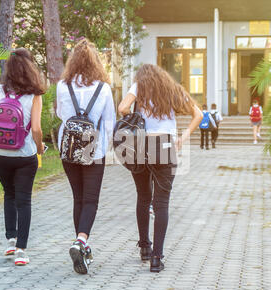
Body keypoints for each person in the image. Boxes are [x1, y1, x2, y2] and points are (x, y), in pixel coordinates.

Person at [118, 64, 203, 272]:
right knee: (161, 202)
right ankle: (157, 258)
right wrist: (182, 138)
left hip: (142, 145)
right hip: (166, 145)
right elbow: (198, 114)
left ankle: (145, 248)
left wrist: (136, 120)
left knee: (143, 196)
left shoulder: (139, 86)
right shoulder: (172, 88)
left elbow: (122, 108)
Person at [56, 39, 116, 275]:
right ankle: (81, 241)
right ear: (96, 63)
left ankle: (80, 243)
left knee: (78, 197)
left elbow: (62, 114)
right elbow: (109, 122)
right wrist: (105, 148)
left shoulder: (63, 85)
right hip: (94, 149)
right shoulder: (103, 88)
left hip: (68, 148)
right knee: (91, 199)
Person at [0, 48, 47, 266]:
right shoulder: (34, 94)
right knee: (24, 200)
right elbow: (37, 129)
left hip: (0, 153)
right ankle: (21, 250)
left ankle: (11, 240)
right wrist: (39, 148)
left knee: (8, 194)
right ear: (31, 69)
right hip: (24, 153)